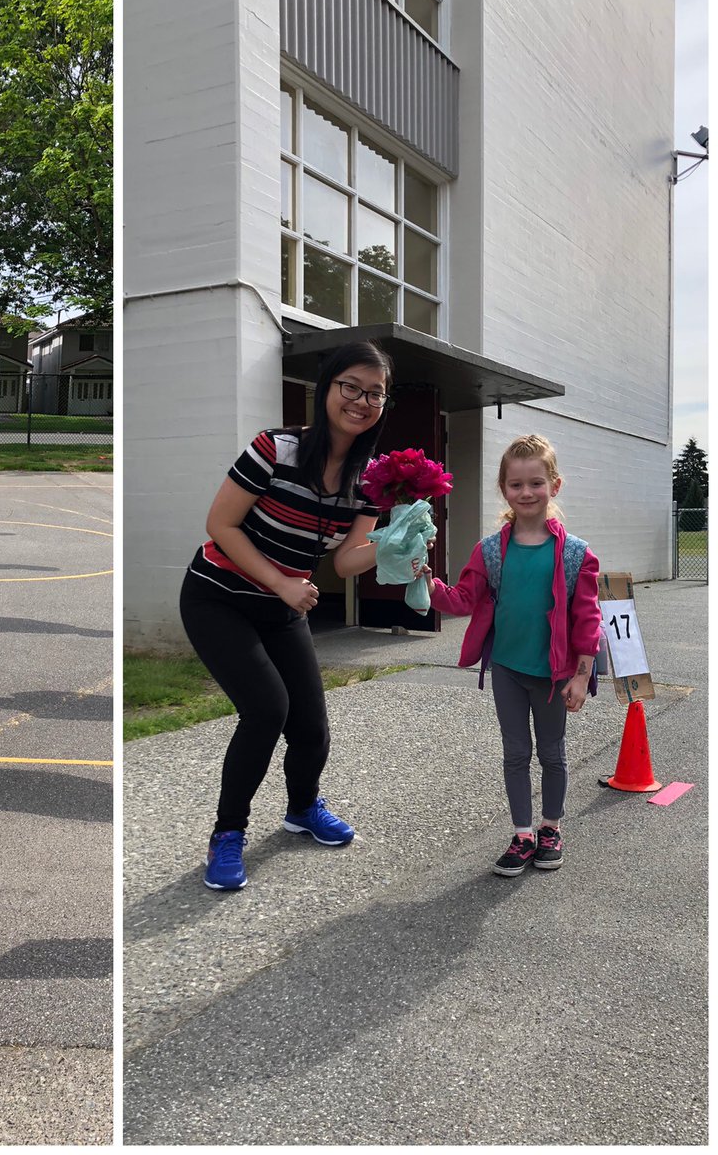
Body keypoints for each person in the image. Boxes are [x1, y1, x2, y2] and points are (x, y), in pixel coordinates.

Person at [182, 341, 403, 892]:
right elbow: (221, 525)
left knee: (311, 728)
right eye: (350, 386)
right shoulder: (274, 448)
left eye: (374, 393)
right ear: (326, 387)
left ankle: (302, 809)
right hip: (219, 595)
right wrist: (281, 582)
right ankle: (227, 834)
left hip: (282, 609)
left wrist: (397, 544)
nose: (361, 400)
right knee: (266, 710)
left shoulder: (369, 481)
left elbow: (349, 560)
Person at [424, 434, 602, 877]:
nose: (527, 493)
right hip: (507, 669)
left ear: (554, 486)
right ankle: (523, 833)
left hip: (554, 674)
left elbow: (587, 620)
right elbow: (462, 599)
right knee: (515, 753)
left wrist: (581, 675)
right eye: (516, 485)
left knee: (553, 754)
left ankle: (551, 828)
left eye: (536, 483)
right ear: (503, 489)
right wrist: (427, 584)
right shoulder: (489, 551)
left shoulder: (576, 555)